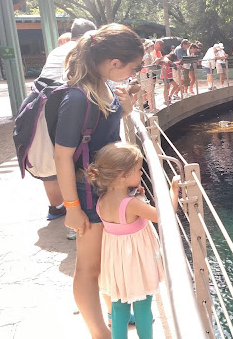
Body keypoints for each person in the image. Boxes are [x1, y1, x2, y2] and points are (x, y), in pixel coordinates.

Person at [54, 23, 144, 339]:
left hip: (106, 189)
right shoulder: (77, 98)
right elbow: (62, 157)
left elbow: (103, 127)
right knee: (89, 268)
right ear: (114, 63)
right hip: (87, 195)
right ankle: (99, 332)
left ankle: (110, 311)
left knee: (107, 261)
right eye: (132, 68)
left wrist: (125, 106)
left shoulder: (102, 87)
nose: (134, 73)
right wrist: (72, 207)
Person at [86, 142, 180, 339]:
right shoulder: (132, 204)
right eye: (138, 170)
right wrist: (173, 191)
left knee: (119, 309)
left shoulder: (102, 199)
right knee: (143, 308)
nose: (141, 174)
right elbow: (165, 215)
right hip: (137, 263)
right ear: (122, 175)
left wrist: (133, 192)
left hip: (115, 264)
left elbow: (121, 208)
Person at [37, 18, 97, 237]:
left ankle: (56, 208)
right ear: (91, 34)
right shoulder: (87, 48)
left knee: (55, 159)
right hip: (66, 107)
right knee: (72, 159)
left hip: (43, 109)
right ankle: (75, 221)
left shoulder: (56, 50)